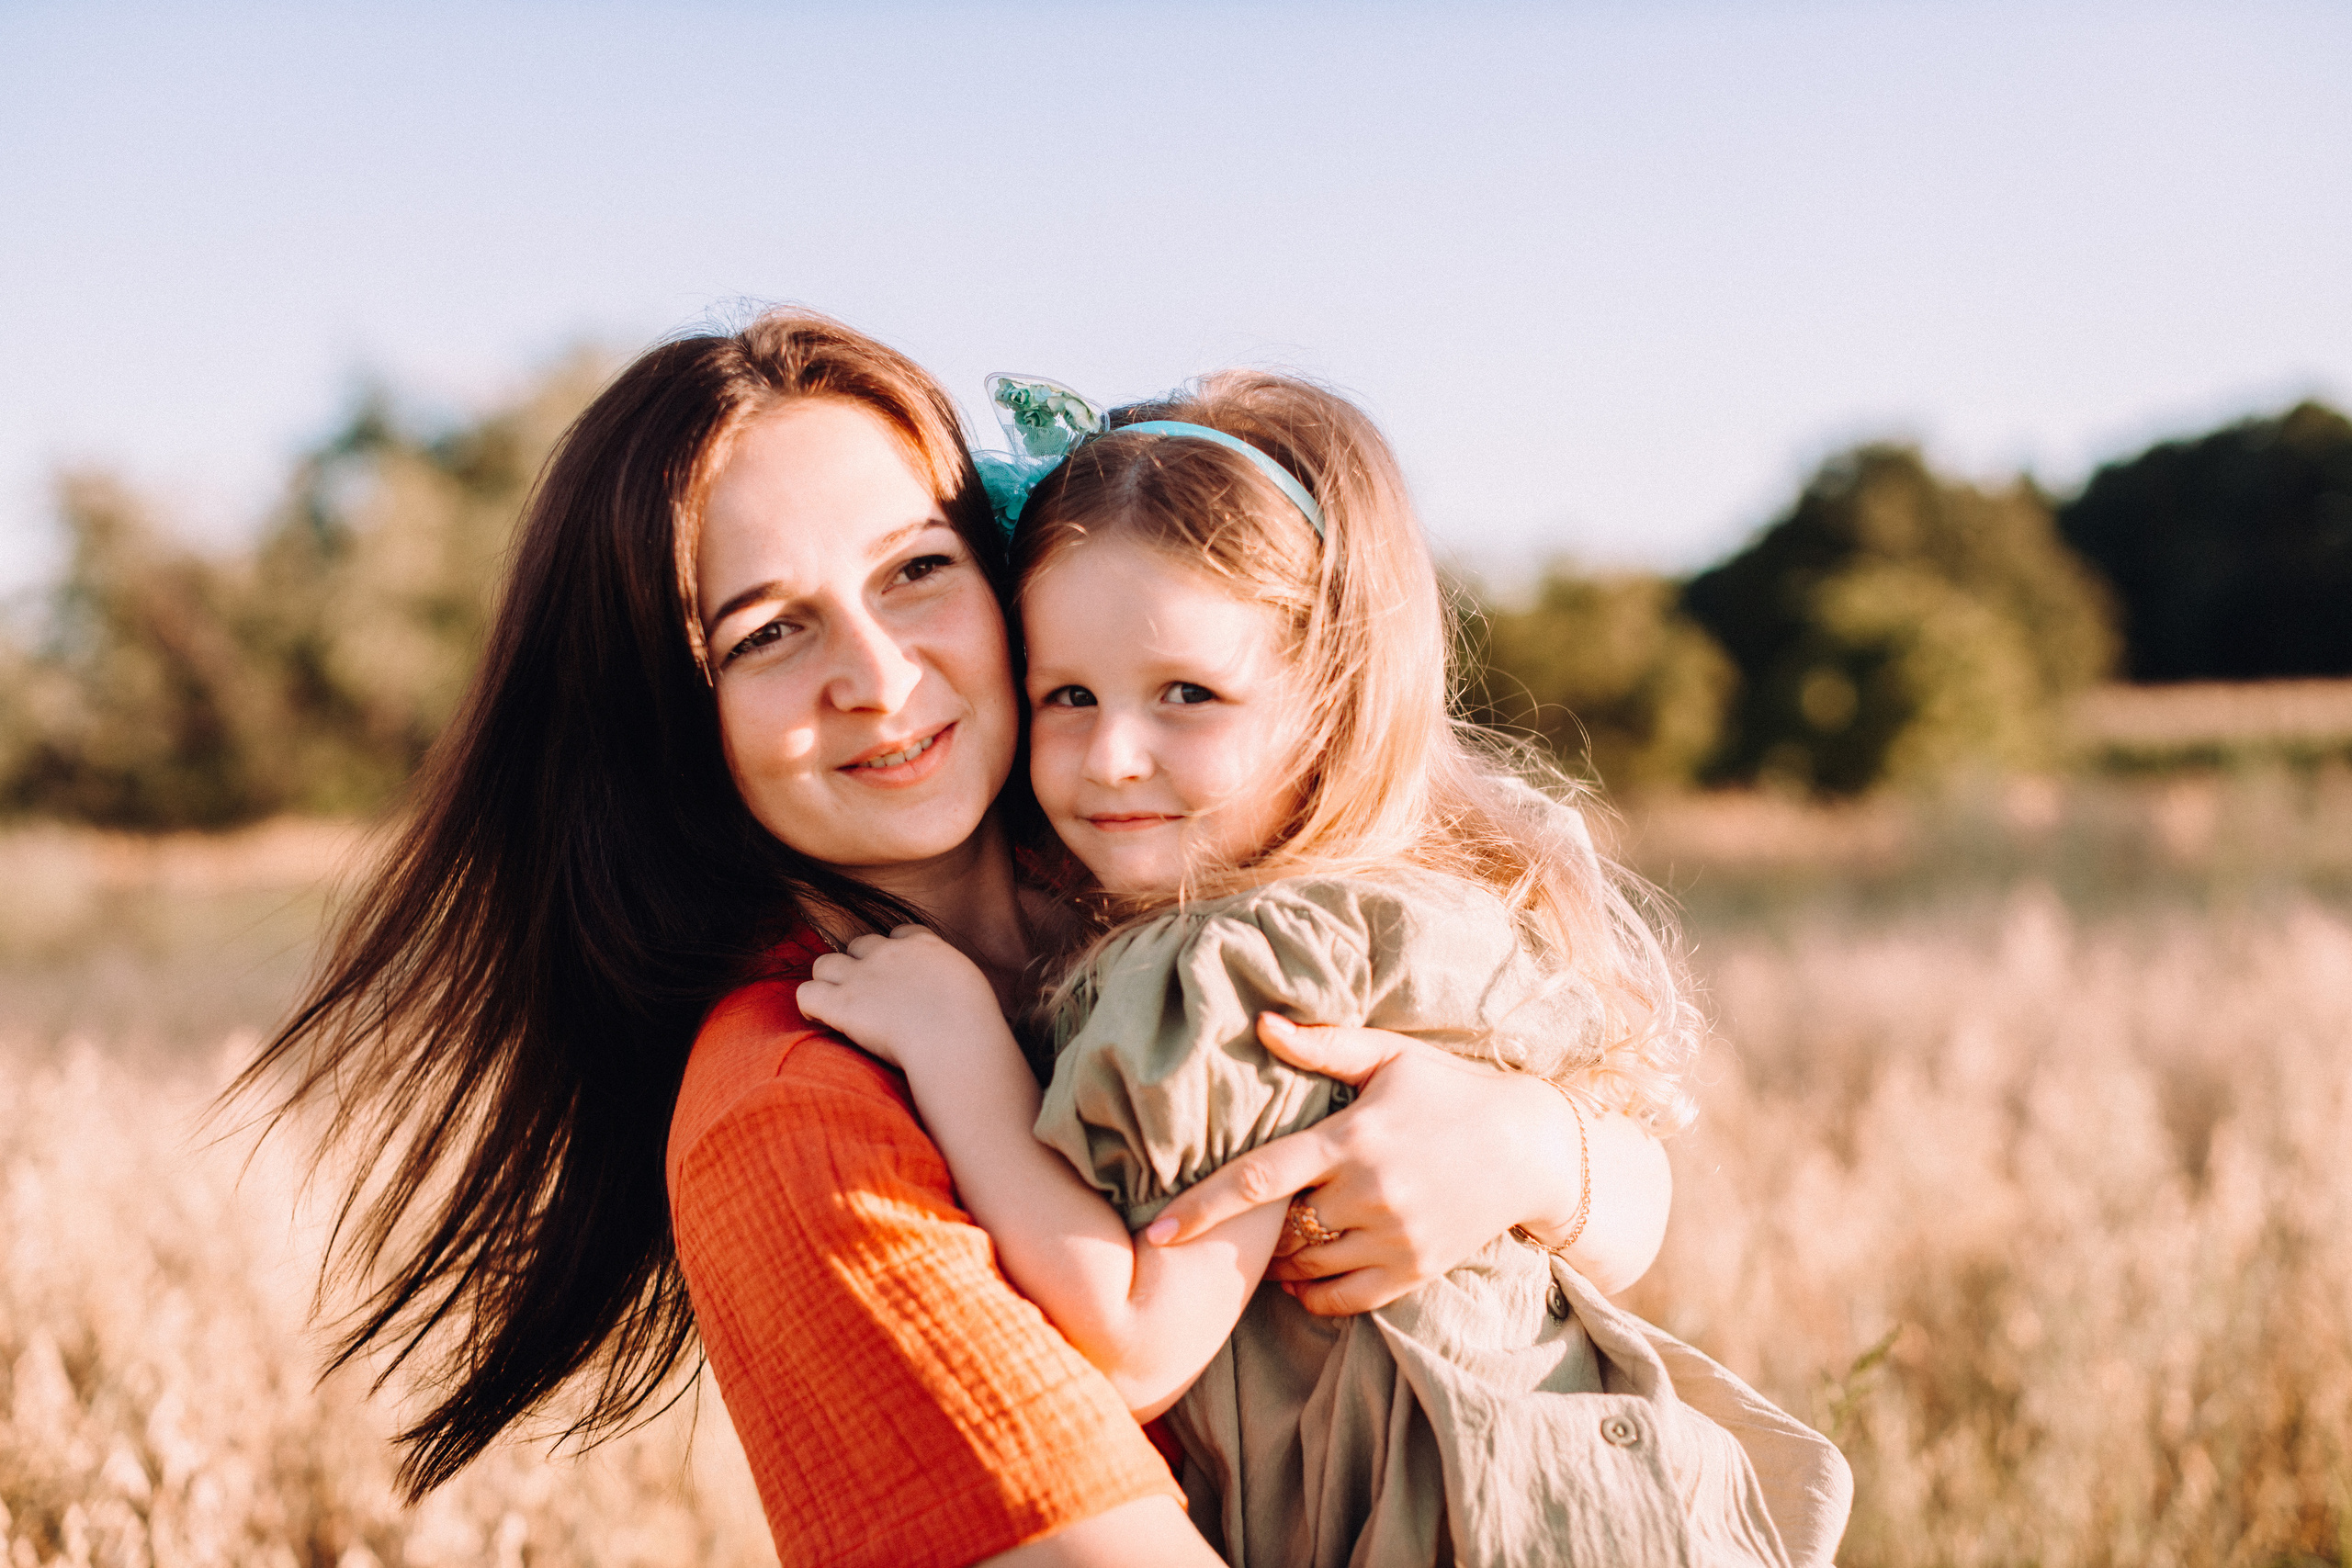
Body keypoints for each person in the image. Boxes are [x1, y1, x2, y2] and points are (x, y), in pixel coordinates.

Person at [242, 310, 1675, 1566]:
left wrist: (1539, 1151)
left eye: (915, 570)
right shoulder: (791, 1105)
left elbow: (1641, 1219)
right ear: (675, 717)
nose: (878, 676)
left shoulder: (1182, 887)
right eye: (764, 635)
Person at [799, 371, 1853, 1567]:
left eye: (1188, 695)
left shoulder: (1236, 969)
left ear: (1331, 700)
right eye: (1069, 695)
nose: (1113, 755)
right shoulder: (1385, 908)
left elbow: (1139, 1338)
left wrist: (955, 1044)